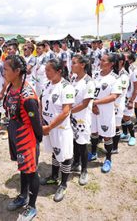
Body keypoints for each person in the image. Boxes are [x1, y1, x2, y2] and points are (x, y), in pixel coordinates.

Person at [3, 55, 42, 221]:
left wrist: (36, 142)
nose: (3, 72)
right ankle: (23, 195)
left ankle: (32, 207)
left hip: (26, 137)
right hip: (14, 132)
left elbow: (37, 124)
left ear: (17, 71)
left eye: (6, 69)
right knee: (22, 168)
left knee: (31, 171)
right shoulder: (11, 87)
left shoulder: (27, 96)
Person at [40, 58, 75, 202]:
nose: (46, 73)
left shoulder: (67, 87)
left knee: (65, 156)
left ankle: (64, 183)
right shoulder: (48, 84)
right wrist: (42, 121)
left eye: (49, 70)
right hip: (48, 127)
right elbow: (41, 102)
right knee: (55, 151)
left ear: (59, 71)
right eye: (45, 70)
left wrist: (49, 126)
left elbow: (66, 112)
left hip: (60, 128)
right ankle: (54, 177)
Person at [89, 53, 122, 173]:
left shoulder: (115, 78)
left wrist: (96, 102)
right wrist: (92, 104)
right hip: (93, 109)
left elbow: (114, 96)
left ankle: (108, 159)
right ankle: (93, 153)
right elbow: (90, 90)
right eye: (100, 60)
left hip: (106, 111)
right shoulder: (95, 74)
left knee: (107, 135)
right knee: (94, 132)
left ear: (111, 64)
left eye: (103, 60)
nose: (100, 62)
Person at [70, 54, 94, 185]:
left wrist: (68, 111)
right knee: (74, 141)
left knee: (82, 143)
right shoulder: (73, 78)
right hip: (72, 116)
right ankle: (75, 163)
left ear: (82, 65)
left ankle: (84, 170)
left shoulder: (89, 82)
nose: (71, 65)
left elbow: (85, 103)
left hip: (82, 118)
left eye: (74, 63)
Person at [120, 52, 137, 146]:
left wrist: (131, 101)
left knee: (127, 117)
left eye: (125, 57)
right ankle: (125, 133)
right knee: (121, 116)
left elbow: (136, 87)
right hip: (120, 98)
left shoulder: (134, 71)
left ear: (130, 60)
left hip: (128, 98)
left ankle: (132, 136)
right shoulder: (121, 69)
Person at [112, 53, 129, 154]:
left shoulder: (124, 75)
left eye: (114, 61)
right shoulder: (115, 72)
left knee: (116, 126)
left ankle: (115, 147)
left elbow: (120, 91)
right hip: (112, 103)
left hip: (118, 104)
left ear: (121, 62)